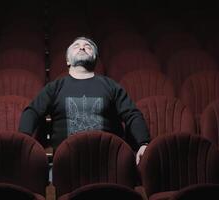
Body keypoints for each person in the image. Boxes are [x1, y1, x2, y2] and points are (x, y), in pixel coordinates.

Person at [19, 36, 150, 164]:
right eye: (77, 46)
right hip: (67, 160)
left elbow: (132, 114)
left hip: (107, 159)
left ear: (95, 59)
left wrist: (143, 143)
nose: (82, 47)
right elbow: (32, 112)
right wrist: (24, 141)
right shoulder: (55, 87)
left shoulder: (110, 86)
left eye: (88, 47)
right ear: (68, 60)